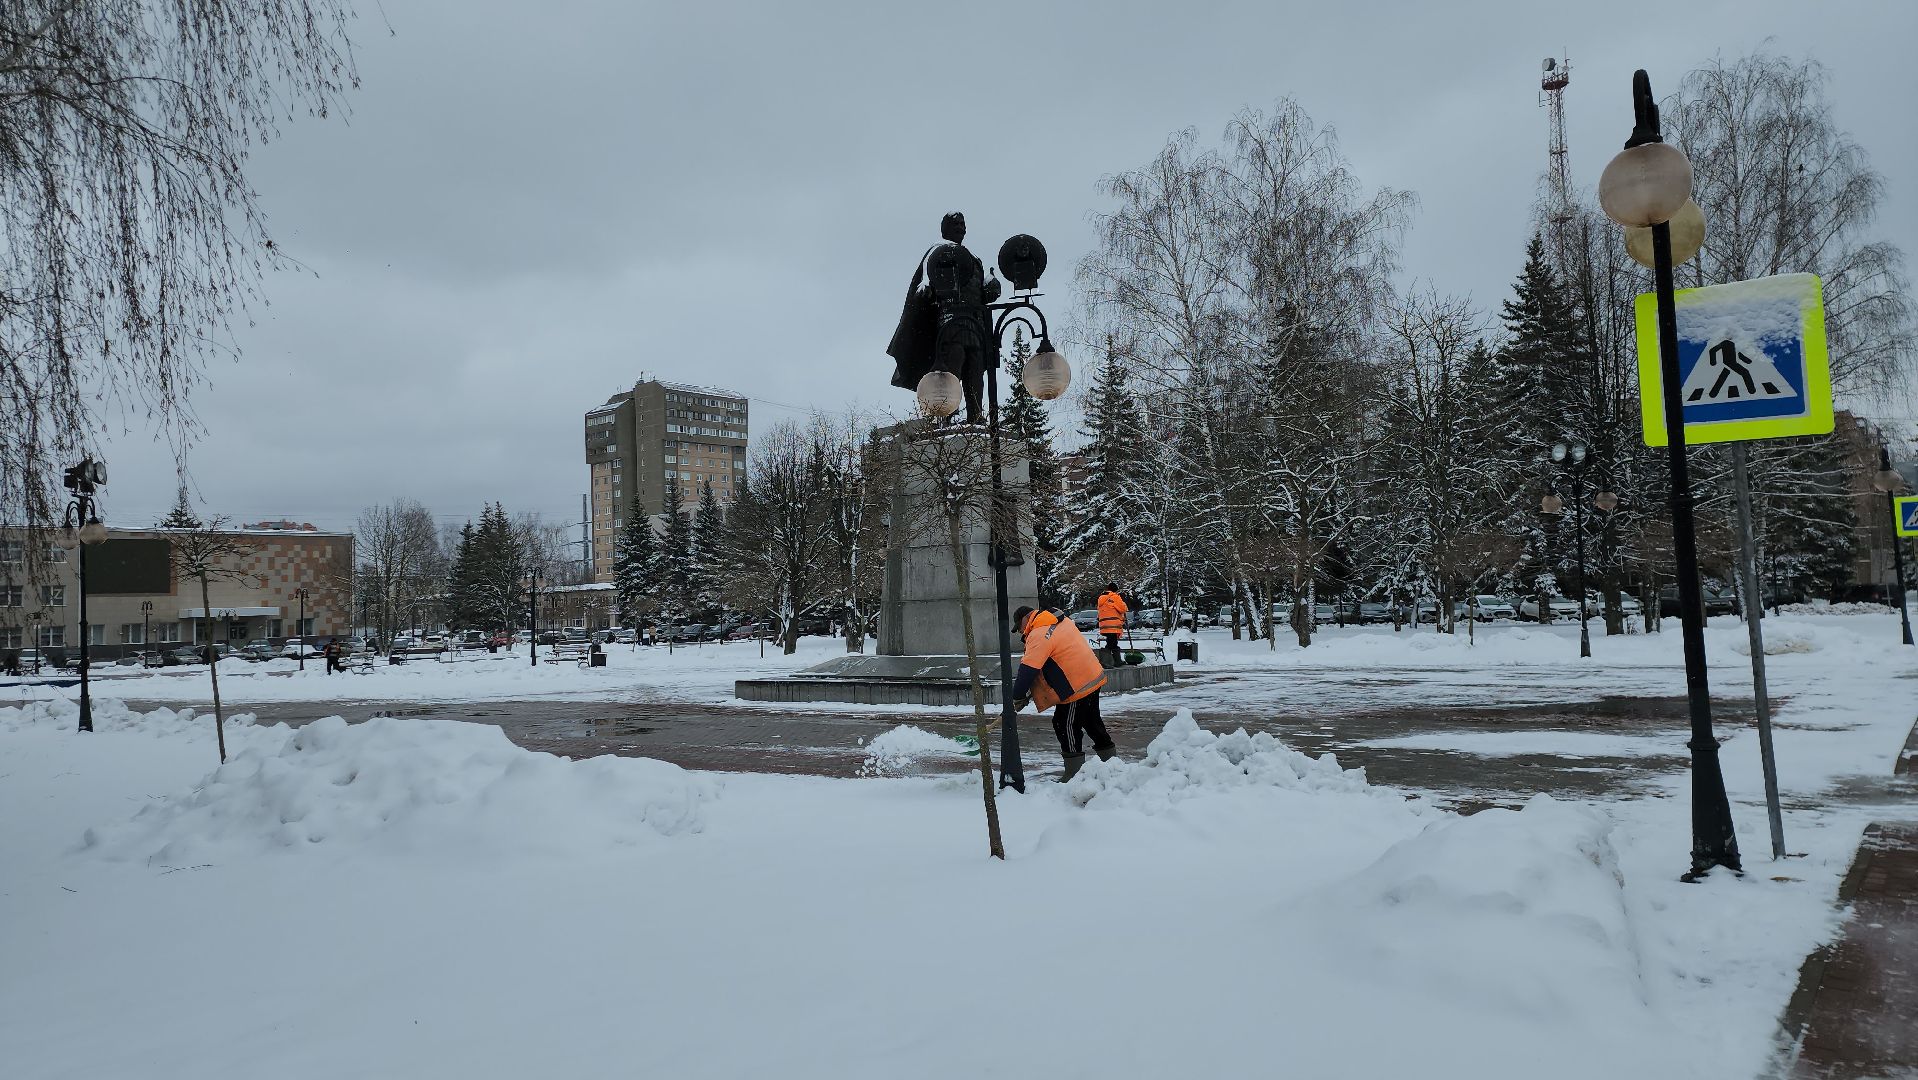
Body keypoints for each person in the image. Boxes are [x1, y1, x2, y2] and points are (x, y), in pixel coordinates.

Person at [1010, 605, 1115, 781]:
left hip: (1077, 686)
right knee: (1091, 721)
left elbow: (1028, 669)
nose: (1021, 632)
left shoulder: (1039, 633)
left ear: (1025, 619)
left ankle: (1074, 774)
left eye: (1019, 627)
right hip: (1092, 676)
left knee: (1065, 724)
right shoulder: (1060, 621)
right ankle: (1112, 764)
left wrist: (1017, 696)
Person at [1095, 583, 1128, 666]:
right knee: (1111, 643)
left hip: (1104, 625)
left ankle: (1117, 661)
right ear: (1115, 590)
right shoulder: (1115, 597)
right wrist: (1123, 603)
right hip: (1113, 625)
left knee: (1113, 642)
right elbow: (1123, 609)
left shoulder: (1101, 598)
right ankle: (1105, 662)